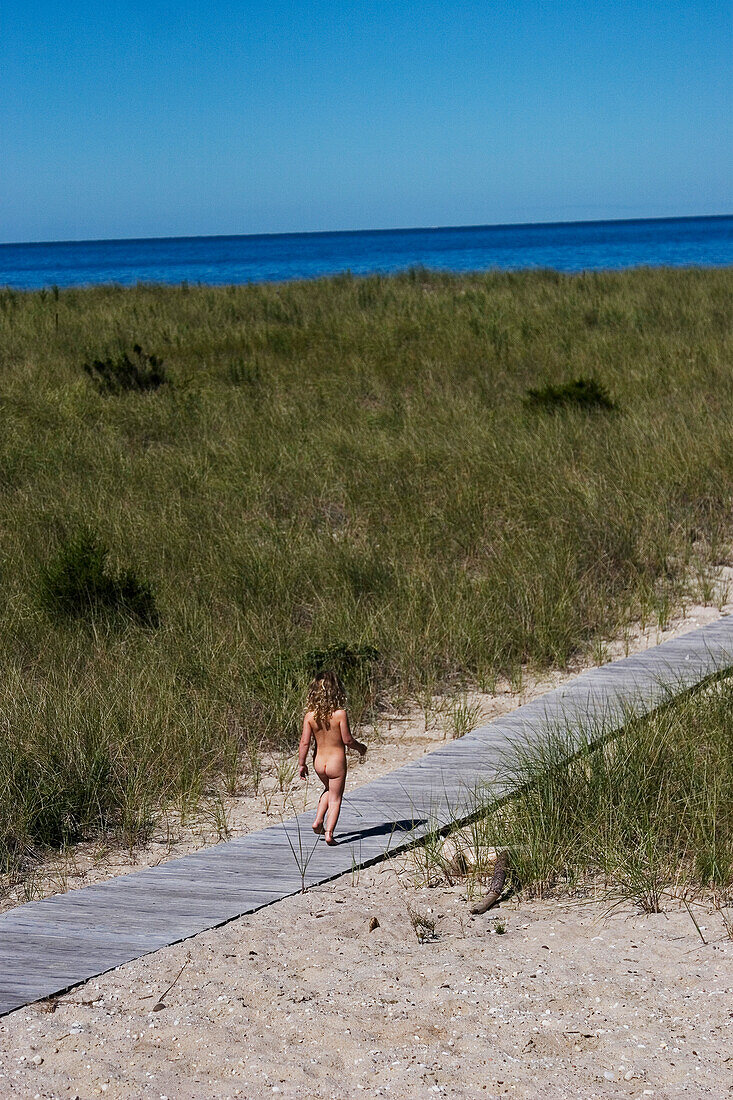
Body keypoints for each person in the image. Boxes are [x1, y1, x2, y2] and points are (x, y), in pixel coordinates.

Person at [298, 670, 367, 845]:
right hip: (336, 762)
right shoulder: (340, 714)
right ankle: (329, 833)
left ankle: (318, 820)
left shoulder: (310, 717)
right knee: (336, 798)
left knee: (328, 790)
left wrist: (301, 764)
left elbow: (305, 743)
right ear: (337, 690)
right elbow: (348, 740)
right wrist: (361, 748)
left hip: (319, 762)